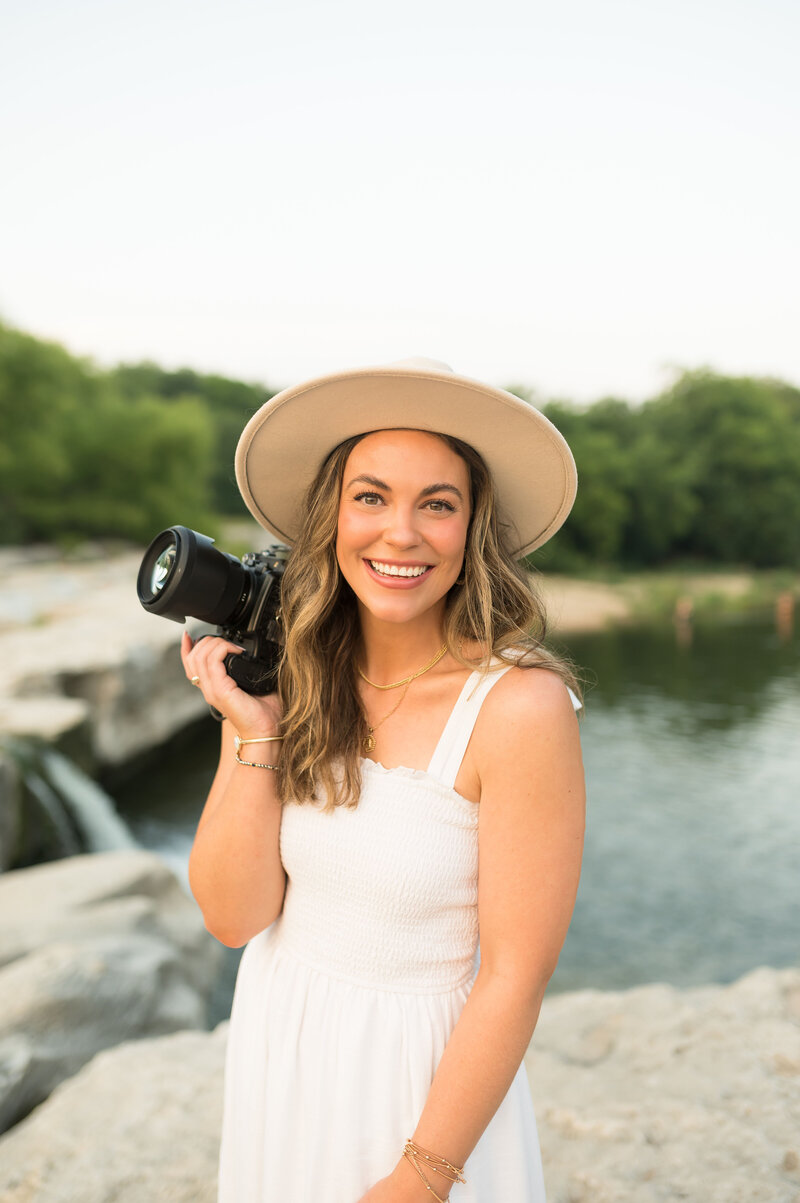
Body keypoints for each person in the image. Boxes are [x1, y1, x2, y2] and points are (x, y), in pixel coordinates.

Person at [181, 357, 586, 1202]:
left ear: (472, 528)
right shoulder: (289, 674)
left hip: (418, 1090)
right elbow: (232, 915)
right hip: (279, 1055)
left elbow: (515, 973)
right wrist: (252, 729)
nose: (400, 533)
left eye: (436, 503)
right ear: (332, 517)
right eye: (370, 496)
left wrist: (421, 1176)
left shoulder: (519, 707)